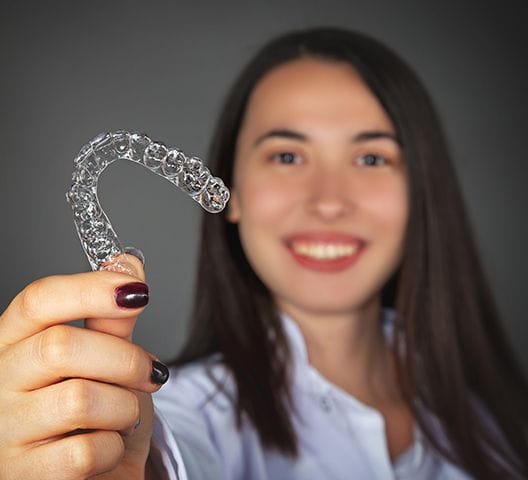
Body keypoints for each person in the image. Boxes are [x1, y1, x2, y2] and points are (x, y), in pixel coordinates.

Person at [0, 27, 526, 480]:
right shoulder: (191, 418)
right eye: (287, 155)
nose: (328, 201)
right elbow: (169, 457)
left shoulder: (498, 410)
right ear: (232, 190)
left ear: (421, 189)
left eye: (371, 156)